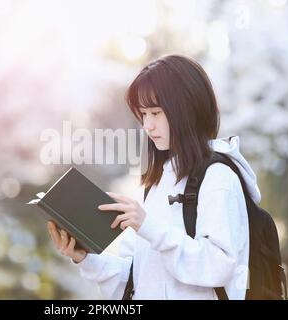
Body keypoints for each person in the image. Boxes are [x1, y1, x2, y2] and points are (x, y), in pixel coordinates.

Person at [47, 54, 261, 300]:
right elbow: (136, 281)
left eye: (156, 113)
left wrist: (148, 226)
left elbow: (218, 267)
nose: (147, 125)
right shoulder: (157, 184)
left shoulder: (218, 179)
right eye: (143, 114)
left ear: (186, 110)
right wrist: (86, 259)